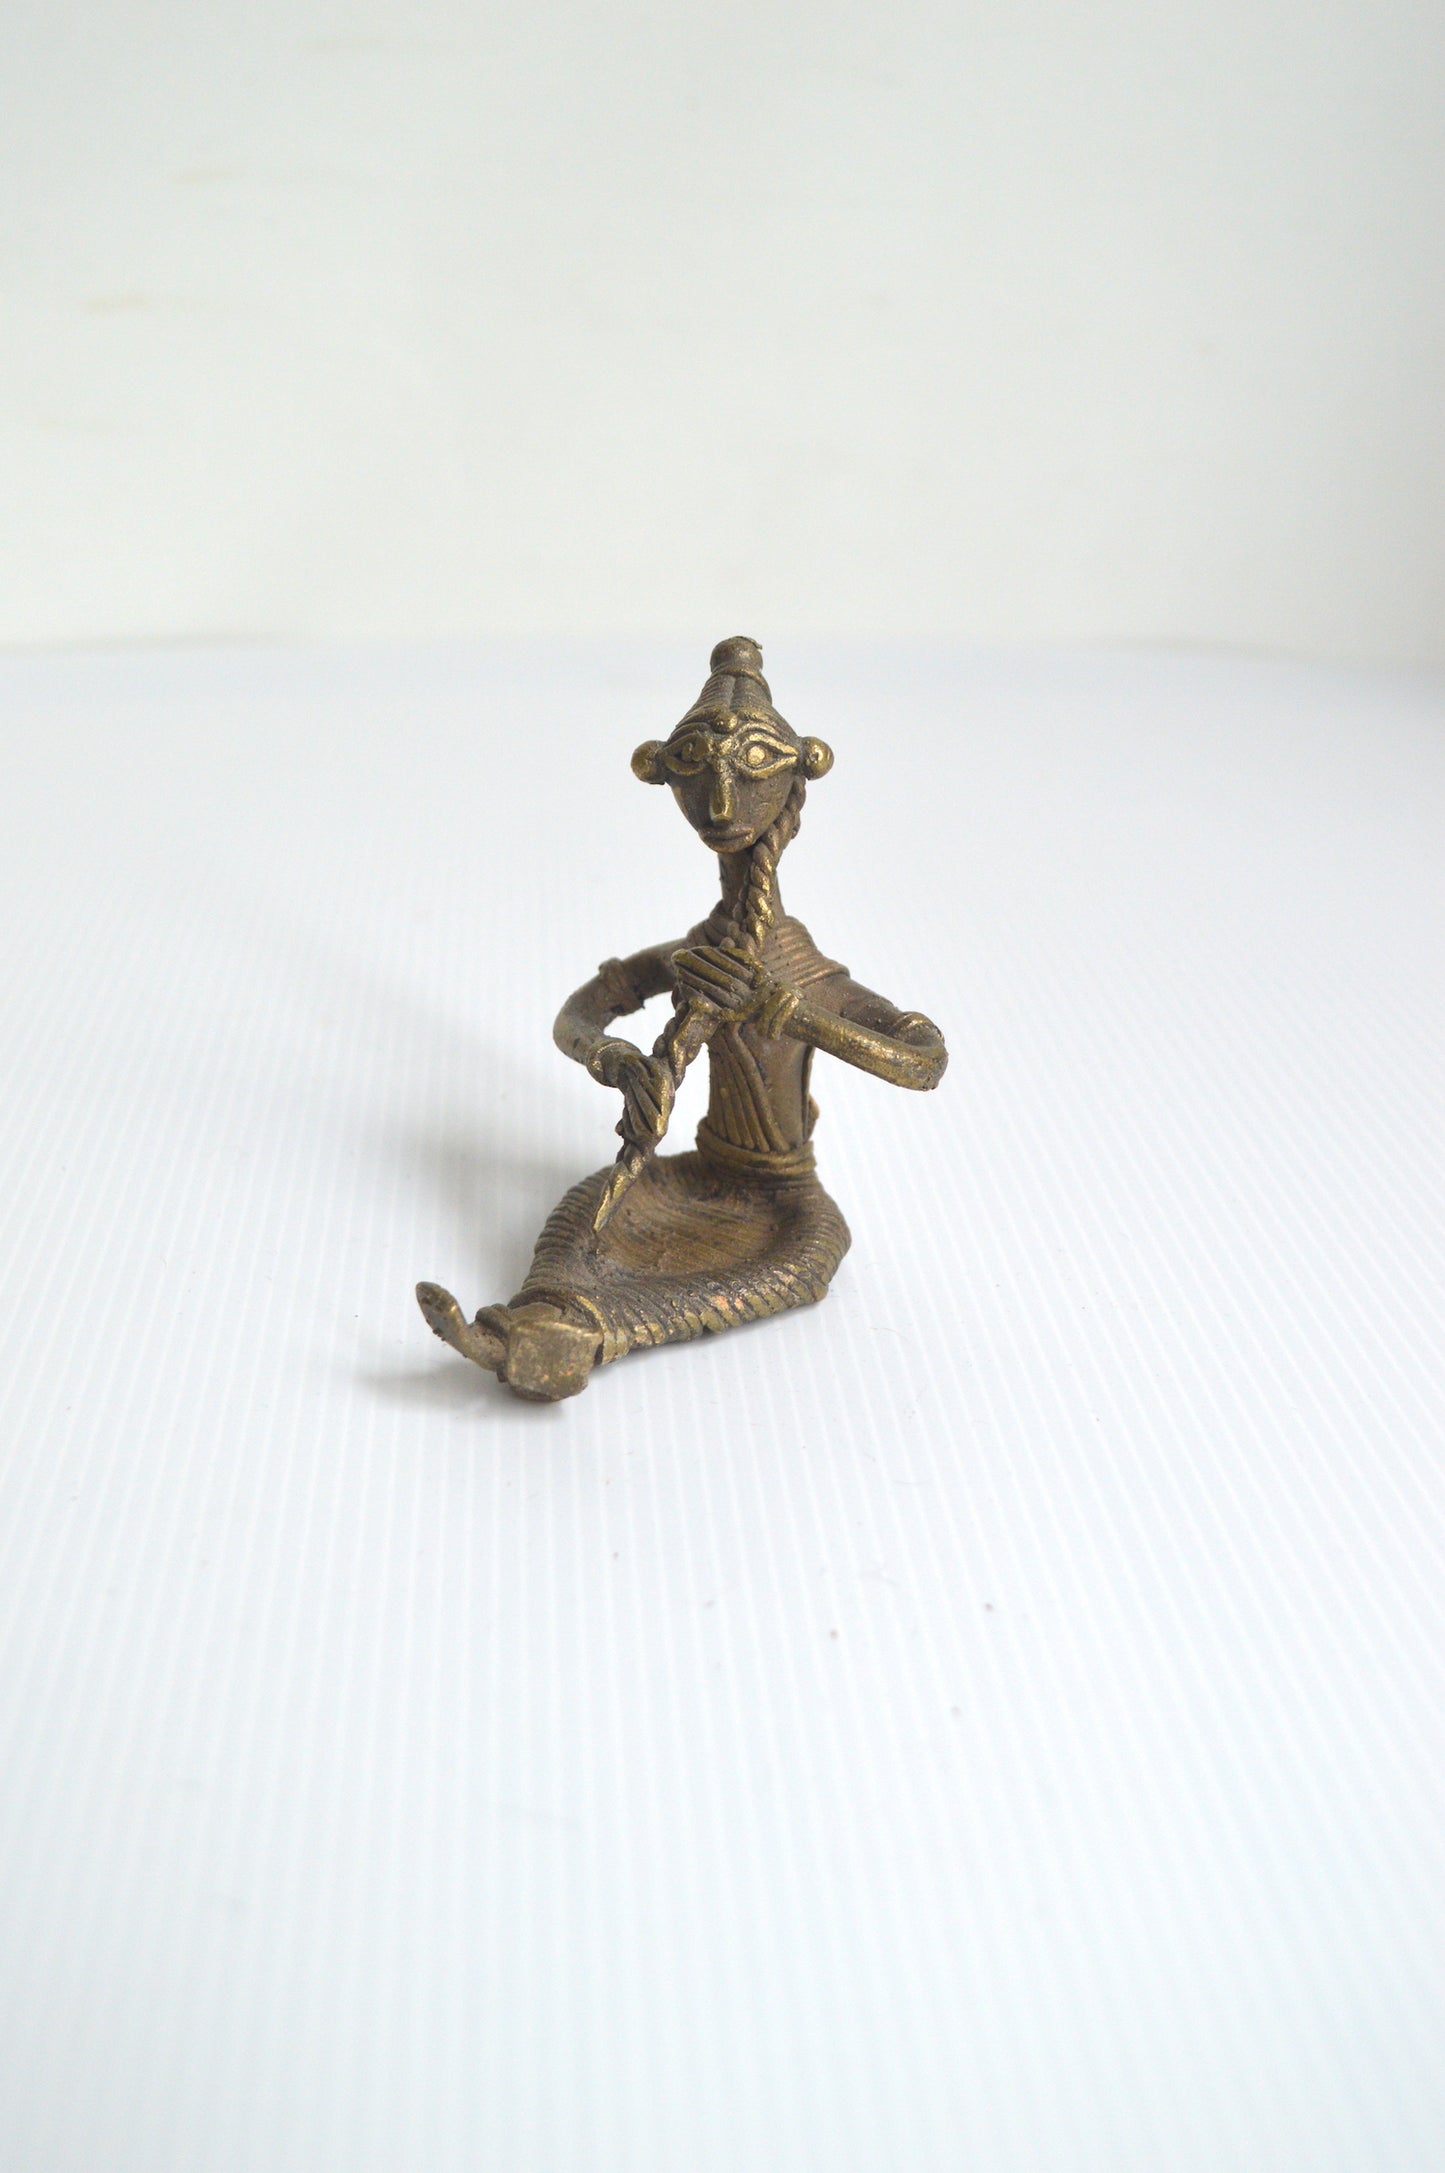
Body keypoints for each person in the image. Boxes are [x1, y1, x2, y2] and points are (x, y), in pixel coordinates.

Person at [418, 637, 947, 1401]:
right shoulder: (699, 955)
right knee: (586, 1214)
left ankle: (579, 1335)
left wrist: (791, 1013)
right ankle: (542, 1315)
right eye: (701, 782)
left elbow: (922, 1060)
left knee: (800, 1265)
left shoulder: (799, 972)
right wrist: (618, 1062)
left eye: (747, 776)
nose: (723, 807)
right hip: (690, 1174)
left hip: (785, 1199)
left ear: (791, 778)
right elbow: (578, 1016)